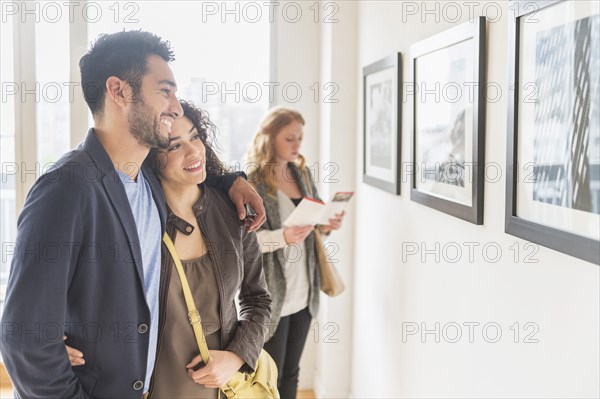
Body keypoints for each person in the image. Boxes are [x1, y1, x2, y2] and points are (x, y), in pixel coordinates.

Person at [0, 30, 265, 398]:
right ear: (119, 91)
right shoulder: (66, 189)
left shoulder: (147, 184)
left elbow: (191, 176)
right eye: (165, 91)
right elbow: (25, 341)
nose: (175, 106)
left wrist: (234, 181)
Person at [67, 100, 272, 398]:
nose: (193, 152)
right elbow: (83, 287)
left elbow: (259, 299)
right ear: (150, 155)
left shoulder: (234, 213)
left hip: (219, 387)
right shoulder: (134, 218)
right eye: (174, 146)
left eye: (195, 137)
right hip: (146, 387)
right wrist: (53, 336)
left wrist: (238, 356)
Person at [246, 107, 345, 398]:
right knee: (267, 377)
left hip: (304, 291)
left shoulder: (301, 173)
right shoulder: (253, 181)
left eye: (299, 138)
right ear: (270, 138)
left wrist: (326, 224)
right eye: (289, 138)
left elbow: (312, 227)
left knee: (291, 372)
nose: (296, 145)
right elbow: (245, 242)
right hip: (272, 295)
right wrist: (282, 237)